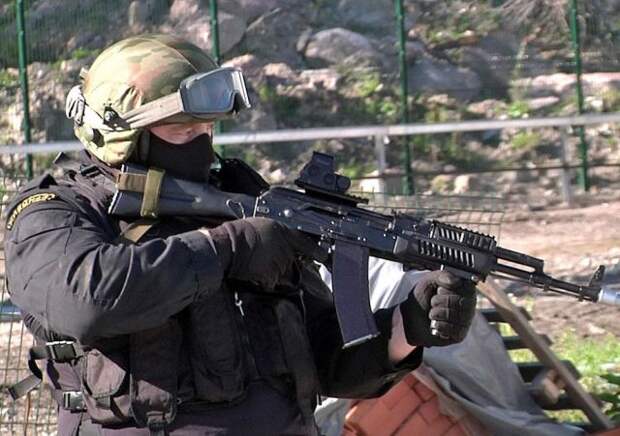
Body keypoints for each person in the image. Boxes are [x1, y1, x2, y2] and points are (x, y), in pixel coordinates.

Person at [4, 34, 477, 436]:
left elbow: (325, 359)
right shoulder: (55, 211)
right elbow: (87, 299)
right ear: (119, 133)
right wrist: (231, 248)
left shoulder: (238, 200)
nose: (202, 143)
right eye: (182, 131)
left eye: (208, 128)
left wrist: (403, 329)